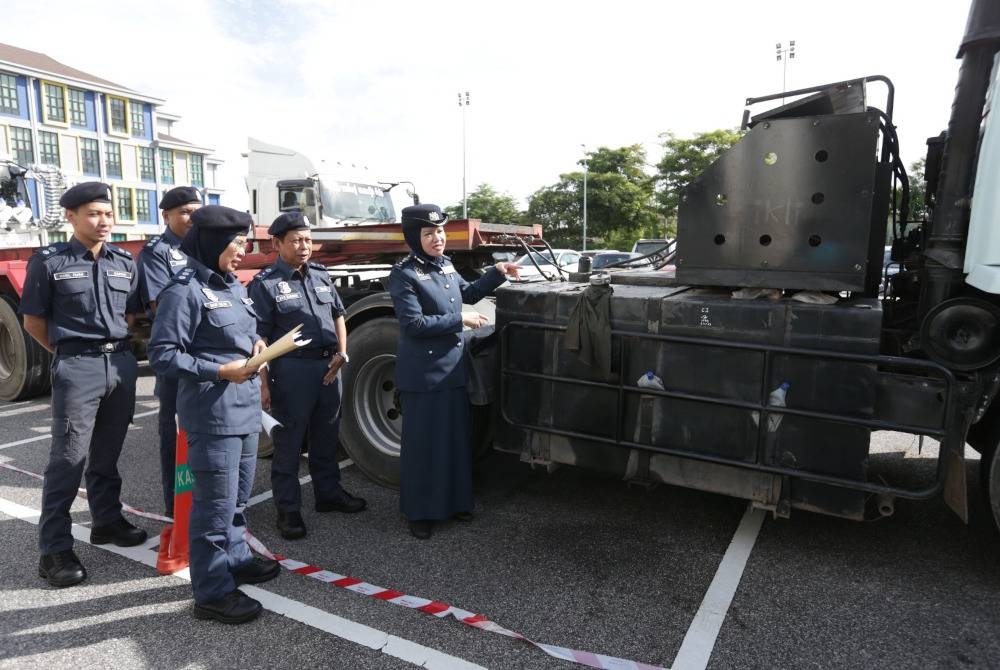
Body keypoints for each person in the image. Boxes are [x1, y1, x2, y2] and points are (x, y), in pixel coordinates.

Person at [148, 205, 279, 624]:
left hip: (242, 412)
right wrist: (218, 369)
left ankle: (236, 558)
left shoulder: (232, 287)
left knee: (237, 500)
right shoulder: (183, 290)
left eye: (244, 242)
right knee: (213, 508)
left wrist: (257, 345)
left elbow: (237, 333)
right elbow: (163, 355)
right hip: (212, 413)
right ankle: (212, 592)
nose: (242, 250)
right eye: (236, 242)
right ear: (211, 242)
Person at [19, 181, 148, 588]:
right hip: (78, 364)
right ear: (71, 217)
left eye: (108, 214)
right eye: (93, 213)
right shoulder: (50, 261)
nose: (103, 221)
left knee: (107, 453)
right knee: (68, 458)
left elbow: (130, 315)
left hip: (122, 364)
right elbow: (33, 321)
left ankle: (106, 521)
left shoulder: (124, 261)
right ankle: (54, 548)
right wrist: (69, 355)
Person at [388, 203, 520, 539]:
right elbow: (413, 324)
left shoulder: (445, 265)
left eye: (441, 231)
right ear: (414, 237)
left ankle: (456, 502)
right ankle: (419, 511)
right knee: (423, 445)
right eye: (429, 233)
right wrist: (459, 320)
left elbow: (469, 293)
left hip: (453, 368)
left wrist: (498, 271)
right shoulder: (403, 273)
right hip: (424, 373)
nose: (438, 238)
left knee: (453, 440)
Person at [248, 211, 366, 540]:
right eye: (296, 240)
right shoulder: (266, 283)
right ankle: (288, 509)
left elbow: (338, 315)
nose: (304, 246)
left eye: (308, 240)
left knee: (326, 435)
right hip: (292, 370)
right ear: (277, 243)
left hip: (329, 367)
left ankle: (329, 495)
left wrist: (342, 353)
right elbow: (259, 340)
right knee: (288, 442)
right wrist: (264, 383)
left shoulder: (321, 274)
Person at [136, 186, 202, 517]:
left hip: (207, 357)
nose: (192, 217)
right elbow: (162, 304)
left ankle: (206, 503)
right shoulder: (157, 252)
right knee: (176, 437)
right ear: (166, 216)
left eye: (196, 210)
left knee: (207, 433)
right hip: (177, 357)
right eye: (185, 212)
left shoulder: (204, 246)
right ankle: (177, 509)